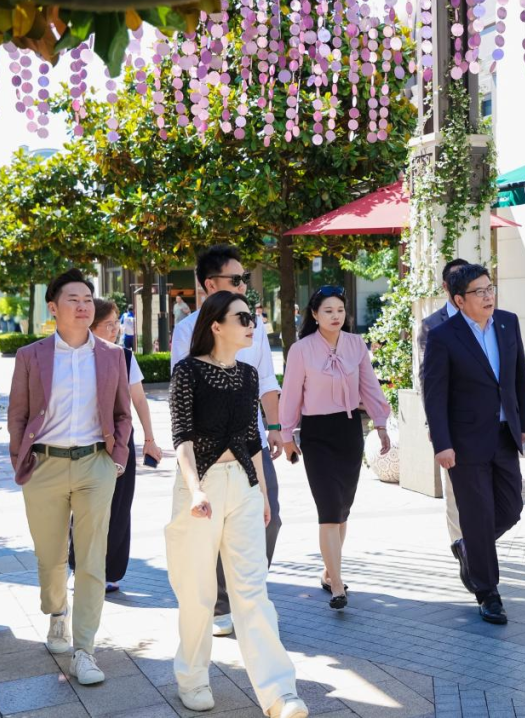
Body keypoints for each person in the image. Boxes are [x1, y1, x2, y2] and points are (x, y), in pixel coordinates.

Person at [167, 290, 308, 717]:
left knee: (252, 591)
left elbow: (252, 439)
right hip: (202, 487)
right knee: (198, 592)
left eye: (253, 317)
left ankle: (279, 694)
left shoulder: (247, 375)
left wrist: (262, 493)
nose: (252, 324)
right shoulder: (188, 371)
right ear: (216, 325)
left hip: (243, 486)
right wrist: (195, 490)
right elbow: (182, 438)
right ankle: (192, 678)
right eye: (243, 318)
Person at [7, 268, 132, 685]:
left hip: (96, 465)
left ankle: (85, 651)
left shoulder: (112, 355)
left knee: (93, 559)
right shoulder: (31, 355)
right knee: (50, 557)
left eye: (88, 300)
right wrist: (20, 460)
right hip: (44, 465)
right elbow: (18, 414)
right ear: (53, 307)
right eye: (73, 299)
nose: (83, 306)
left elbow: (122, 413)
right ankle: (56, 612)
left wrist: (116, 459)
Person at [171, 245, 285, 638]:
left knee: (270, 518)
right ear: (209, 284)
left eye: (244, 279)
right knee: (211, 528)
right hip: (207, 452)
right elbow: (184, 398)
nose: (243, 285)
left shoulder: (254, 325)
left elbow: (265, 378)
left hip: (249, 441)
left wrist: (275, 426)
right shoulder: (186, 331)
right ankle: (222, 604)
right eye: (235, 279)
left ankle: (246, 595)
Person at [421, 264, 525, 625]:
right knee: (477, 512)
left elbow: (518, 376)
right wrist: (442, 443)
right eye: (478, 292)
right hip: (464, 442)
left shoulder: (508, 322)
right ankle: (488, 592)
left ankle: (469, 545)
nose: (488, 296)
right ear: (459, 300)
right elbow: (434, 395)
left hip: (504, 434)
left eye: (490, 288)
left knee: (511, 508)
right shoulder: (443, 336)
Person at [280, 285, 391, 610]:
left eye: (340, 310)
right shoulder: (301, 350)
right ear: (315, 314)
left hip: (348, 431)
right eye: (328, 311)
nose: (335, 316)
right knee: (328, 509)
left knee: (342, 510)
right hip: (317, 434)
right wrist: (286, 436)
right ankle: (338, 585)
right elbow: (291, 395)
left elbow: (369, 386)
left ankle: (330, 572)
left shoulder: (356, 344)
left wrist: (381, 423)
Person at [67, 298, 163, 592]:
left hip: (120, 443)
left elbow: (139, 400)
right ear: (91, 326)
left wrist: (149, 439)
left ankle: (110, 571)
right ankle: (80, 567)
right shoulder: (74, 357)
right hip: (85, 441)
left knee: (119, 507)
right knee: (85, 507)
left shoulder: (125, 356)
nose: (115, 330)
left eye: (116, 324)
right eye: (108, 325)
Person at [417, 258, 473, 592]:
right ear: (446, 287)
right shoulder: (431, 325)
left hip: (481, 423)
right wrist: (434, 424)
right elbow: (428, 379)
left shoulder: (487, 319)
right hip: (449, 422)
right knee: (454, 489)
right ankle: (461, 545)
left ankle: (476, 543)